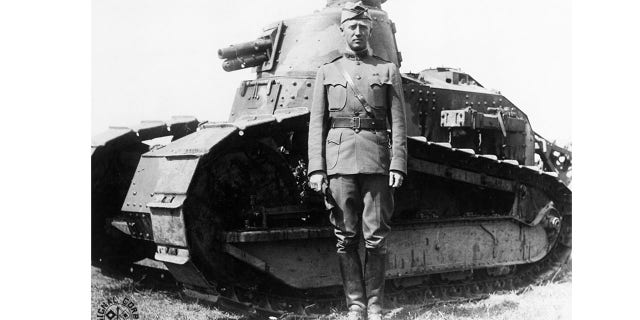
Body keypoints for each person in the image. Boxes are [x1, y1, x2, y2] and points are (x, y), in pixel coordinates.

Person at [307, 2, 407, 319]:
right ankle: (355, 304)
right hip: (338, 165)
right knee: (345, 238)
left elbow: (399, 122)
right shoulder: (328, 72)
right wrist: (317, 168)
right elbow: (317, 125)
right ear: (343, 30)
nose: (358, 32)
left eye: (363, 28)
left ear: (370, 31)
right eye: (352, 27)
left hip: (377, 161)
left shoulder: (386, 70)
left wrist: (398, 164)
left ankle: (375, 305)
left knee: (376, 239)